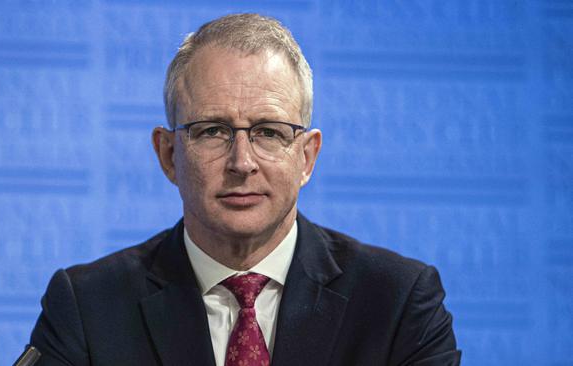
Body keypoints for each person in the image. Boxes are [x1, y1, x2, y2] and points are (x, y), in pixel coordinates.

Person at [25, 13, 461, 366]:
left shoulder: (398, 301)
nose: (242, 162)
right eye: (213, 130)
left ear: (306, 157)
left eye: (269, 132)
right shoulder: (87, 306)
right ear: (168, 154)